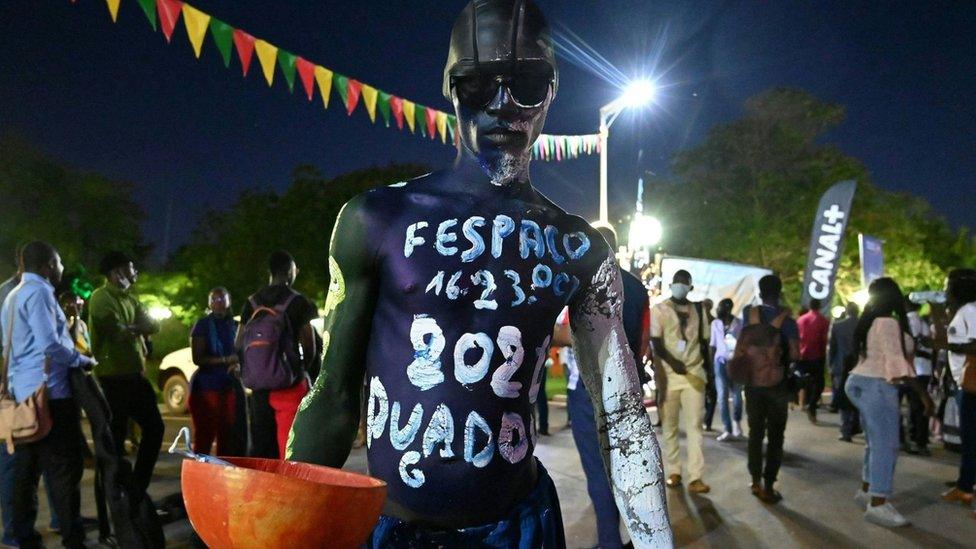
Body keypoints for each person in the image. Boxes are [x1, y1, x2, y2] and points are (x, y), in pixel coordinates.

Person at [285, 2, 672, 546]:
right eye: (477, 85)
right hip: (397, 528)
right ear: (449, 87)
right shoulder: (375, 219)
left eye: (528, 84)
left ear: (553, 91)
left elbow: (624, 419)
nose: (503, 105)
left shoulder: (579, 248)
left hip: (520, 528)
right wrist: (286, 523)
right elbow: (333, 397)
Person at [553, 225, 650, 549]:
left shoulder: (583, 282)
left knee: (598, 472)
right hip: (627, 390)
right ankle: (635, 535)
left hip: (588, 390)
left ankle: (609, 541)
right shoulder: (638, 287)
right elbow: (644, 343)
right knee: (626, 467)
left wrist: (545, 328)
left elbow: (574, 334)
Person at [0, 241, 97, 548]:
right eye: (58, 263)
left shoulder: (12, 297)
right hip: (51, 396)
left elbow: (10, 348)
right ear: (46, 266)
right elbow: (51, 346)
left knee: (24, 475)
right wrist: (83, 360)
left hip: (22, 398)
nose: (62, 268)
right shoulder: (40, 292)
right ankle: (73, 537)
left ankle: (23, 537)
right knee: (64, 472)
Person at [847, 277, 934, 527]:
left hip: (861, 381)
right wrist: (923, 395)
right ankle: (878, 504)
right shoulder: (887, 322)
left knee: (875, 442)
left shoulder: (870, 320)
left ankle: (867, 490)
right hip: (876, 384)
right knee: (887, 445)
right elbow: (897, 364)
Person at [88, 251, 164, 496]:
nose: (135, 273)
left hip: (134, 377)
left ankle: (136, 486)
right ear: (117, 273)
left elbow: (154, 325)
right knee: (115, 441)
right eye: (131, 269)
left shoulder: (130, 299)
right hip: (111, 380)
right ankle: (113, 497)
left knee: (155, 428)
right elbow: (115, 331)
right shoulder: (101, 297)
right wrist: (136, 328)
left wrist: (134, 328)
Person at [238, 251, 317, 460]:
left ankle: (264, 491)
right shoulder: (298, 302)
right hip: (288, 386)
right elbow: (309, 344)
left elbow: (238, 344)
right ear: (290, 270)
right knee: (290, 449)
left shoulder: (251, 302)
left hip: (258, 389)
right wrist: (302, 369)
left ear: (269, 272)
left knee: (262, 450)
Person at [651, 270, 711, 494]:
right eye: (678, 282)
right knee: (670, 426)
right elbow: (656, 342)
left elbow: (704, 345)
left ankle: (696, 477)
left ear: (690, 287)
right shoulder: (659, 309)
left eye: (685, 282)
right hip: (668, 377)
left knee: (695, 427)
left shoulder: (699, 309)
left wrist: (710, 375)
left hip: (694, 375)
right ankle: (674, 471)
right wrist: (672, 363)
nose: (681, 285)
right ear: (671, 284)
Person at [742, 274, 800, 504]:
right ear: (780, 291)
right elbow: (796, 354)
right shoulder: (788, 321)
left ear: (760, 290)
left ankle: (755, 480)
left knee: (755, 433)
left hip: (753, 383)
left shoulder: (750, 314)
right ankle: (768, 485)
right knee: (776, 436)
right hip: (777, 385)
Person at [939, 268, 976, 517]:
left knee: (973, 440)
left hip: (973, 384)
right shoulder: (963, 310)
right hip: (965, 383)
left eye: (948, 284)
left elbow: (974, 345)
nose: (945, 289)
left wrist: (945, 344)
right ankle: (965, 488)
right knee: (969, 440)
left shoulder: (971, 310)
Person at [189, 288, 240, 455]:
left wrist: (237, 365)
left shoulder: (235, 325)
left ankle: (221, 475)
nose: (218, 303)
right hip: (206, 387)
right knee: (205, 435)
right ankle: (199, 476)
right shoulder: (202, 325)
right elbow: (198, 358)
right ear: (209, 303)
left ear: (229, 301)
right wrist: (226, 360)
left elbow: (240, 353)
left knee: (227, 434)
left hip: (228, 385)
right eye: (214, 299)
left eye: (222, 299)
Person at [710, 298, 743, 441]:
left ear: (729, 308)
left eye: (722, 307)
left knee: (736, 393)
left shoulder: (739, 323)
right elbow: (713, 345)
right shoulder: (715, 323)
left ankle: (736, 422)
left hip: (735, 362)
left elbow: (742, 344)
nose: (720, 309)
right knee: (722, 395)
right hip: (720, 361)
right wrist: (712, 366)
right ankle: (727, 428)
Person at [903, 298, 933, 455]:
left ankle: (916, 440)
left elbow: (910, 344)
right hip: (925, 368)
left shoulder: (909, 321)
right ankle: (921, 439)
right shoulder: (924, 322)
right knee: (920, 405)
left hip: (914, 368)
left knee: (915, 406)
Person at [829, 302, 861, 441]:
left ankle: (845, 429)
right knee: (859, 396)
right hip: (860, 365)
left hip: (841, 365)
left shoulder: (837, 326)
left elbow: (833, 348)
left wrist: (831, 365)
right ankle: (857, 425)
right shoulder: (864, 325)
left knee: (843, 396)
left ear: (847, 311)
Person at [797, 298, 830, 423]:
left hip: (802, 355)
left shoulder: (801, 320)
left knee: (805, 380)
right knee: (819, 383)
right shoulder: (823, 321)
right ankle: (811, 405)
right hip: (817, 355)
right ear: (820, 306)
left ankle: (803, 402)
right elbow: (824, 340)